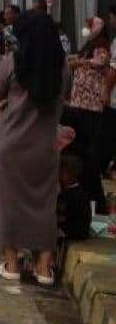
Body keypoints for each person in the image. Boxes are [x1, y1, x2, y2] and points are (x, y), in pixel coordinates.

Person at [0, 10, 68, 284]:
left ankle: (12, 265)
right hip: (45, 147)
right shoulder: (62, 67)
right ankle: (43, 267)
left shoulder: (13, 62)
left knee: (8, 204)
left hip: (11, 145)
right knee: (44, 204)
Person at [61, 38, 111, 214]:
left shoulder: (104, 56)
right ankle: (83, 200)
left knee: (88, 158)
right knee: (75, 155)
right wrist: (87, 61)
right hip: (77, 108)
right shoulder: (82, 61)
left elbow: (103, 64)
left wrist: (96, 61)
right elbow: (69, 65)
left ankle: (96, 205)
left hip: (91, 111)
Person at [58, 155, 91, 242]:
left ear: (72, 174)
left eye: (61, 173)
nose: (58, 176)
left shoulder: (76, 194)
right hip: (67, 228)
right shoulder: (66, 190)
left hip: (74, 232)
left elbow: (68, 215)